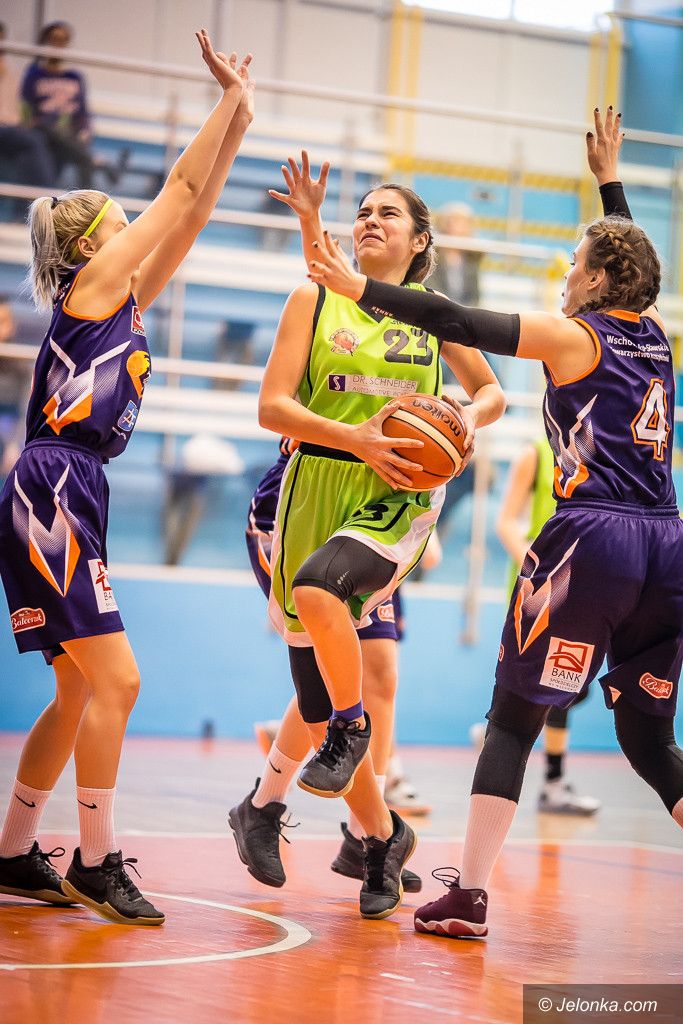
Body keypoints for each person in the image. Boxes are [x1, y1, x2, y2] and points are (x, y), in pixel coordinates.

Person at [306, 107, 683, 939]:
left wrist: (356, 288)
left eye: (574, 265)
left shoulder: (571, 337)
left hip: (592, 540)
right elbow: (633, 262)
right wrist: (609, 184)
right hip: (667, 541)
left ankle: (468, 897)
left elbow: (456, 323)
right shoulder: (655, 336)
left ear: (596, 280)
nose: (564, 276)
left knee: (513, 719)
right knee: (649, 743)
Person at [0, 31, 253, 926]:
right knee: (119, 682)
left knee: (79, 687)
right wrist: (223, 101)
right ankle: (96, 860)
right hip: (54, 485)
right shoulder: (94, 282)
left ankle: (12, 850)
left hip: (70, 483)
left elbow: (193, 211)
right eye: (118, 214)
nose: (130, 221)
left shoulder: (125, 295)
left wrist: (238, 123)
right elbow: (176, 190)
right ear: (90, 238)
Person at [253, 153, 505, 919]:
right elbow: (271, 408)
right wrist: (353, 437)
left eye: (386, 212)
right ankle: (368, 832)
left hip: (396, 494)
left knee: (337, 619)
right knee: (314, 689)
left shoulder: (433, 311)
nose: (369, 219)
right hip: (314, 484)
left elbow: (490, 390)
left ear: (419, 240)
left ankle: (348, 742)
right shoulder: (312, 297)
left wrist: (464, 419)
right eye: (361, 210)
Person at [234, 433, 422, 893]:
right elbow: (276, 408)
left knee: (378, 673)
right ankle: (274, 806)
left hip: (371, 508)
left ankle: (360, 834)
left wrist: (465, 424)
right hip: (301, 503)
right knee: (329, 673)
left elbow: (486, 400)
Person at [496, 436, 601, 815]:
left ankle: (502, 727)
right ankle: (553, 783)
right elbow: (506, 523)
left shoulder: (603, 452)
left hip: (585, 583)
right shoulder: (536, 453)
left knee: (574, 685)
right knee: (560, 678)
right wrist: (537, 568)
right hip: (539, 589)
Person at [20, 21, 127, 192]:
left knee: (80, 151)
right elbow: (26, 110)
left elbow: (83, 112)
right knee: (49, 131)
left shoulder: (75, 76)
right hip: (44, 134)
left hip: (69, 135)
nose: (58, 44)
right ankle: (99, 162)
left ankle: (86, 199)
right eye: (54, 38)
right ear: (45, 41)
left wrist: (85, 131)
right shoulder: (33, 74)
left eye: (63, 40)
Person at [0, 22, 56, 203]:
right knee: (34, 141)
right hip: (5, 129)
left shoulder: (11, 72)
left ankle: (25, 206)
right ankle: (47, 198)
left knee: (41, 140)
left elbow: (16, 109)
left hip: (11, 127)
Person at [0, 297, 33, 477]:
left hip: (11, 437)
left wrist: (14, 445)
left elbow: (27, 411)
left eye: (2, 322)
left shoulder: (22, 367)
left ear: (12, 326)